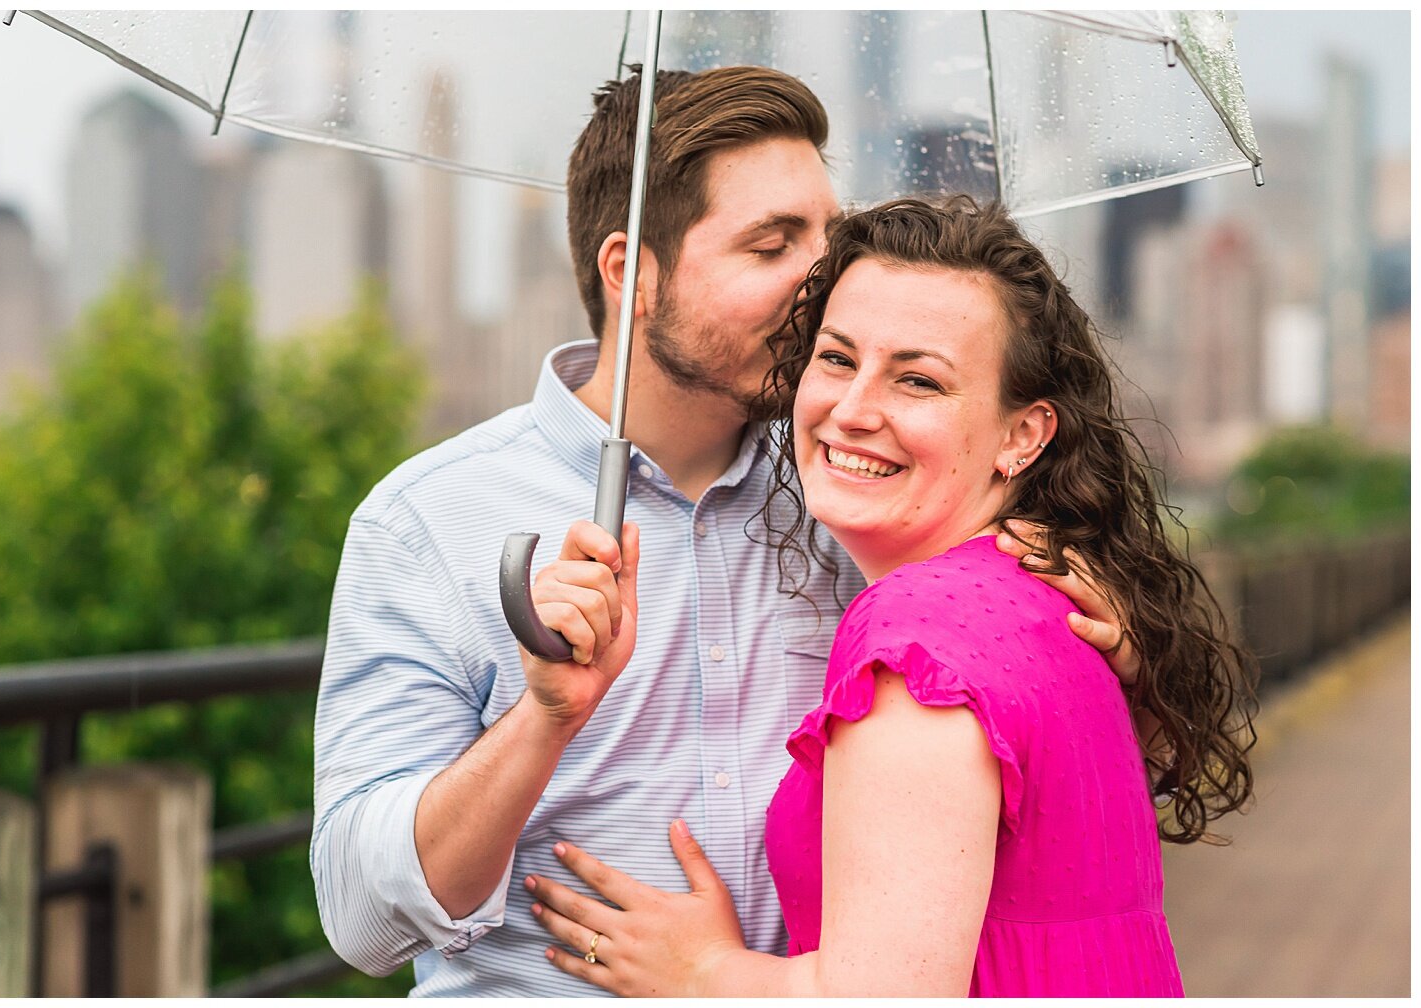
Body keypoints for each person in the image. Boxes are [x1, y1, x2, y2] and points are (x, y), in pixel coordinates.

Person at [311, 68, 1137, 996]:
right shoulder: (425, 520)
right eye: (773, 244)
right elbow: (360, 920)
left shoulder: (857, 490)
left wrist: (1103, 636)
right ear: (634, 274)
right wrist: (544, 718)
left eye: (825, 236)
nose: (821, 280)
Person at [523, 196, 1259, 997]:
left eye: (918, 379)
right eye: (837, 360)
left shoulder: (918, 636)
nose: (853, 409)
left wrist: (706, 971)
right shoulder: (1051, 602)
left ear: (1024, 435)